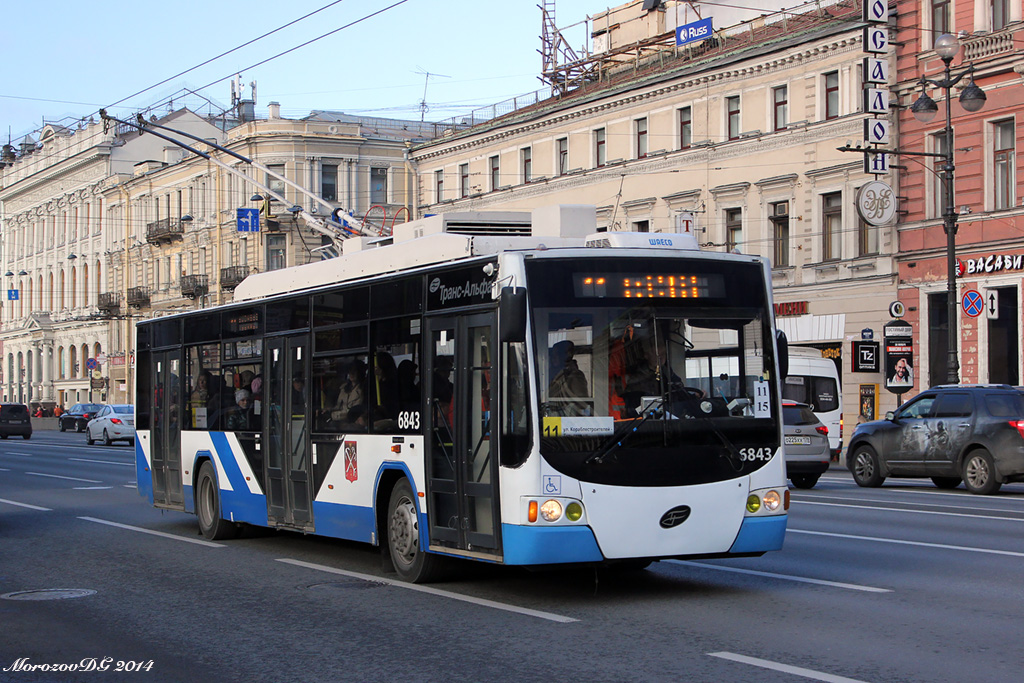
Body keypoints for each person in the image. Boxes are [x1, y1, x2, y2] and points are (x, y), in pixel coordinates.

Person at [548, 340, 589, 415]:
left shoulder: (575, 375)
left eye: (556, 355)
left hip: (566, 420)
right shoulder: (556, 374)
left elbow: (581, 403)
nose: (552, 358)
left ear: (566, 355)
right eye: (552, 355)